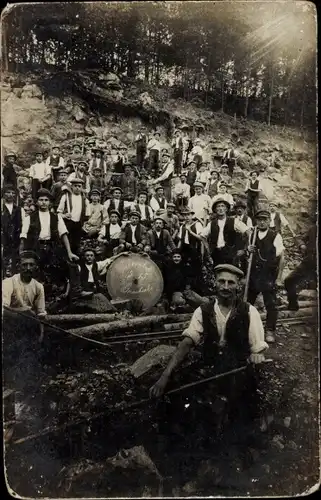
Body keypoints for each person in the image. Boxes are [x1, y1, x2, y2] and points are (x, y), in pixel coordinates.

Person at [149, 264, 268, 435]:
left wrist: (257, 356)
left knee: (242, 414)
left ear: (238, 286)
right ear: (215, 283)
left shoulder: (250, 312)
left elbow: (257, 348)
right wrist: (164, 376)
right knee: (180, 396)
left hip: (237, 370)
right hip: (209, 367)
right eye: (222, 281)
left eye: (231, 283)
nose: (226, 287)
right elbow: (187, 342)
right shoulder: (203, 310)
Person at [20, 188, 79, 298]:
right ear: (37, 202)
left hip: (53, 247)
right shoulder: (29, 218)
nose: (43, 202)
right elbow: (23, 236)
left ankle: (74, 292)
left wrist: (70, 252)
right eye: (41, 199)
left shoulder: (56, 217)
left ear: (50, 202)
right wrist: (22, 253)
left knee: (70, 265)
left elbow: (63, 235)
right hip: (36, 248)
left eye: (46, 200)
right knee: (32, 271)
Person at [247, 209, 285, 343]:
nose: (262, 222)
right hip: (253, 274)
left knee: (271, 304)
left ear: (269, 221)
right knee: (247, 302)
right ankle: (245, 327)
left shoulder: (275, 236)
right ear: (256, 221)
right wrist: (248, 250)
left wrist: (279, 278)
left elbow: (281, 258)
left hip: (268, 275)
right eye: (259, 220)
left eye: (265, 219)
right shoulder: (252, 234)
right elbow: (246, 256)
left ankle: (270, 330)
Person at [190, 198, 249, 266]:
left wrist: (244, 249)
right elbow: (202, 236)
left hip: (231, 255)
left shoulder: (234, 221)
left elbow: (248, 232)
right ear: (215, 210)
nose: (220, 208)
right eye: (218, 206)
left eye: (222, 206)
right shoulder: (211, 224)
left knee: (230, 275)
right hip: (217, 254)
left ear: (226, 209)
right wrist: (208, 249)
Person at [284, 224, 316, 311]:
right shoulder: (313, 228)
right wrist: (301, 245)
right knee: (289, 280)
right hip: (309, 262)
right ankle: (293, 306)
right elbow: (300, 238)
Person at [57, 178, 90, 254]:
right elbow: (59, 212)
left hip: (78, 224)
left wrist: (85, 221)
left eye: (79, 186)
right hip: (68, 223)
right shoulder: (66, 197)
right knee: (66, 242)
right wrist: (64, 215)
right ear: (71, 186)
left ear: (82, 188)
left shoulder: (84, 199)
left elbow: (87, 214)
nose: (77, 188)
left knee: (76, 243)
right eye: (75, 186)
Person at [1, 184, 25, 278]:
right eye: (8, 192)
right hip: (3, 239)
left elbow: (23, 224)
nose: (10, 195)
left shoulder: (19, 209)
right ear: (3, 194)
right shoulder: (1, 208)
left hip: (16, 239)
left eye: (12, 193)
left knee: (15, 262)